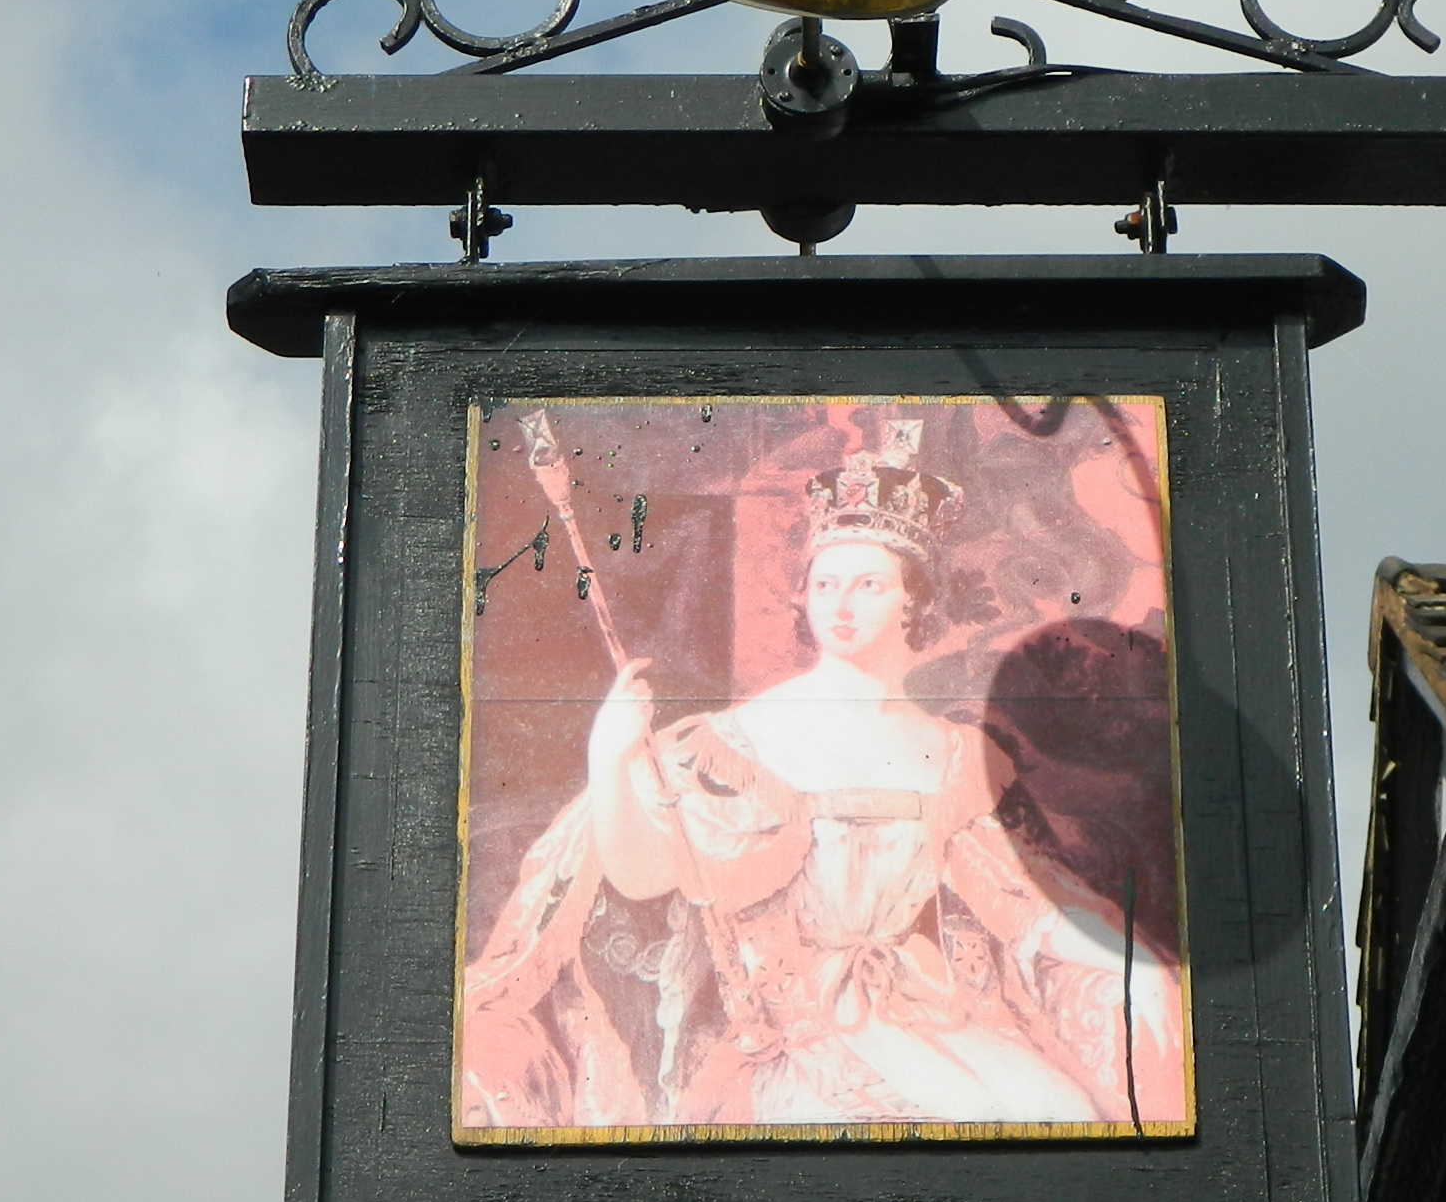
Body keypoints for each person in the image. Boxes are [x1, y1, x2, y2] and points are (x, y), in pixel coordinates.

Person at [458, 421, 1188, 1135]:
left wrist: (1134, 967)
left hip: (935, 1020)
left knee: (1053, 1114)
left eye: (869, 583)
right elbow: (643, 873)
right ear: (803, 593)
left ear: (913, 598)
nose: (841, 604)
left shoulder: (955, 752)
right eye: (825, 582)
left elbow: (1024, 904)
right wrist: (609, 760)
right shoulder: (734, 741)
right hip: (796, 1039)